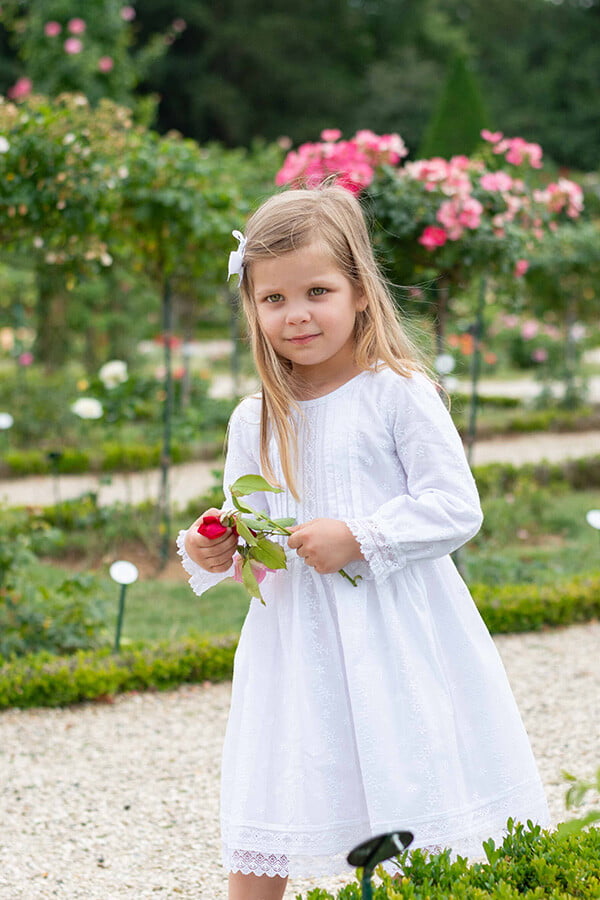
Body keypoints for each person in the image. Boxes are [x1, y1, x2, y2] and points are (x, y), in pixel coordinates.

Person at [178, 187, 549, 900]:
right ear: (252, 307)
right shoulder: (255, 418)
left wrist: (361, 536)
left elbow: (455, 506)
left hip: (392, 634)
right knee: (275, 779)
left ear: (358, 292)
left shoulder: (396, 392)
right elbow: (248, 523)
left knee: (402, 769)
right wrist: (214, 546)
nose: (296, 314)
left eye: (317, 291)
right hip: (296, 643)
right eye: (274, 298)